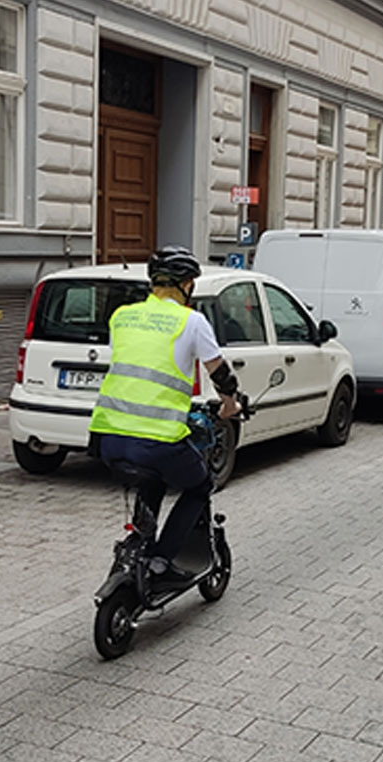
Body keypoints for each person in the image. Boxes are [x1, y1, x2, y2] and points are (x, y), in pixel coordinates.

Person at [89, 245, 240, 590]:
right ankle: (162, 561)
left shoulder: (122, 316)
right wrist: (230, 404)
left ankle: (140, 545)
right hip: (157, 439)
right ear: (186, 285)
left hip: (108, 439)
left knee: (153, 479)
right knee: (200, 485)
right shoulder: (192, 321)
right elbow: (220, 374)